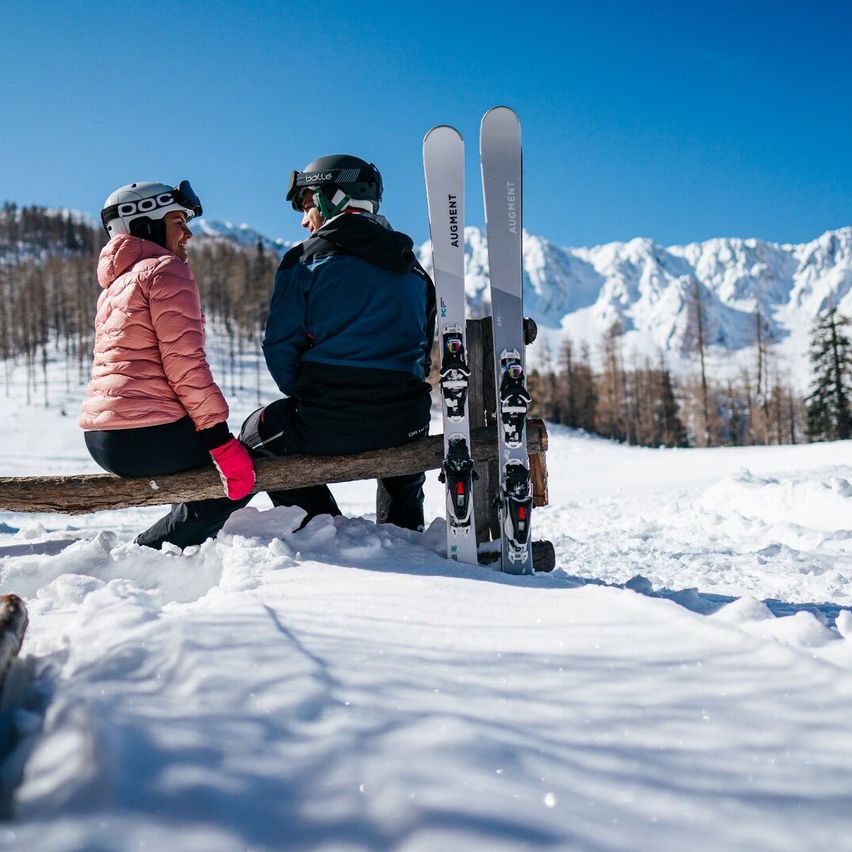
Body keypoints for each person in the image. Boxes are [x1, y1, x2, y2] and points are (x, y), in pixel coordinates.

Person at [240, 154, 436, 531]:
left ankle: (325, 527)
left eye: (308, 203)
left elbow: (280, 345)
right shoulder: (414, 270)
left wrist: (312, 394)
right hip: (404, 421)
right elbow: (422, 355)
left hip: (325, 420)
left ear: (334, 197)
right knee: (407, 437)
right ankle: (404, 533)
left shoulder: (304, 260)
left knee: (256, 432)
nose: (303, 218)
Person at [81, 181, 255, 549]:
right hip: (144, 438)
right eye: (179, 221)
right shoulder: (164, 270)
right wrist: (220, 441)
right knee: (252, 467)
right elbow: (186, 365)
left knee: (212, 475)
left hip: (102, 441)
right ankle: (146, 553)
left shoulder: (115, 284)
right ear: (146, 226)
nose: (188, 232)